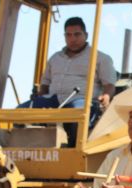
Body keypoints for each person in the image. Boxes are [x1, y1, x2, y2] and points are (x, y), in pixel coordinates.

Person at [19, 17, 117, 146]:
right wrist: (40, 96)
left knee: (77, 114)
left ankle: (73, 149)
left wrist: (106, 97)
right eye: (69, 35)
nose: (73, 39)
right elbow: (45, 83)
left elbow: (109, 84)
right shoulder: (55, 58)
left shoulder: (100, 58)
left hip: (80, 100)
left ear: (86, 35)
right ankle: (23, 148)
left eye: (77, 34)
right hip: (53, 99)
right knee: (21, 111)